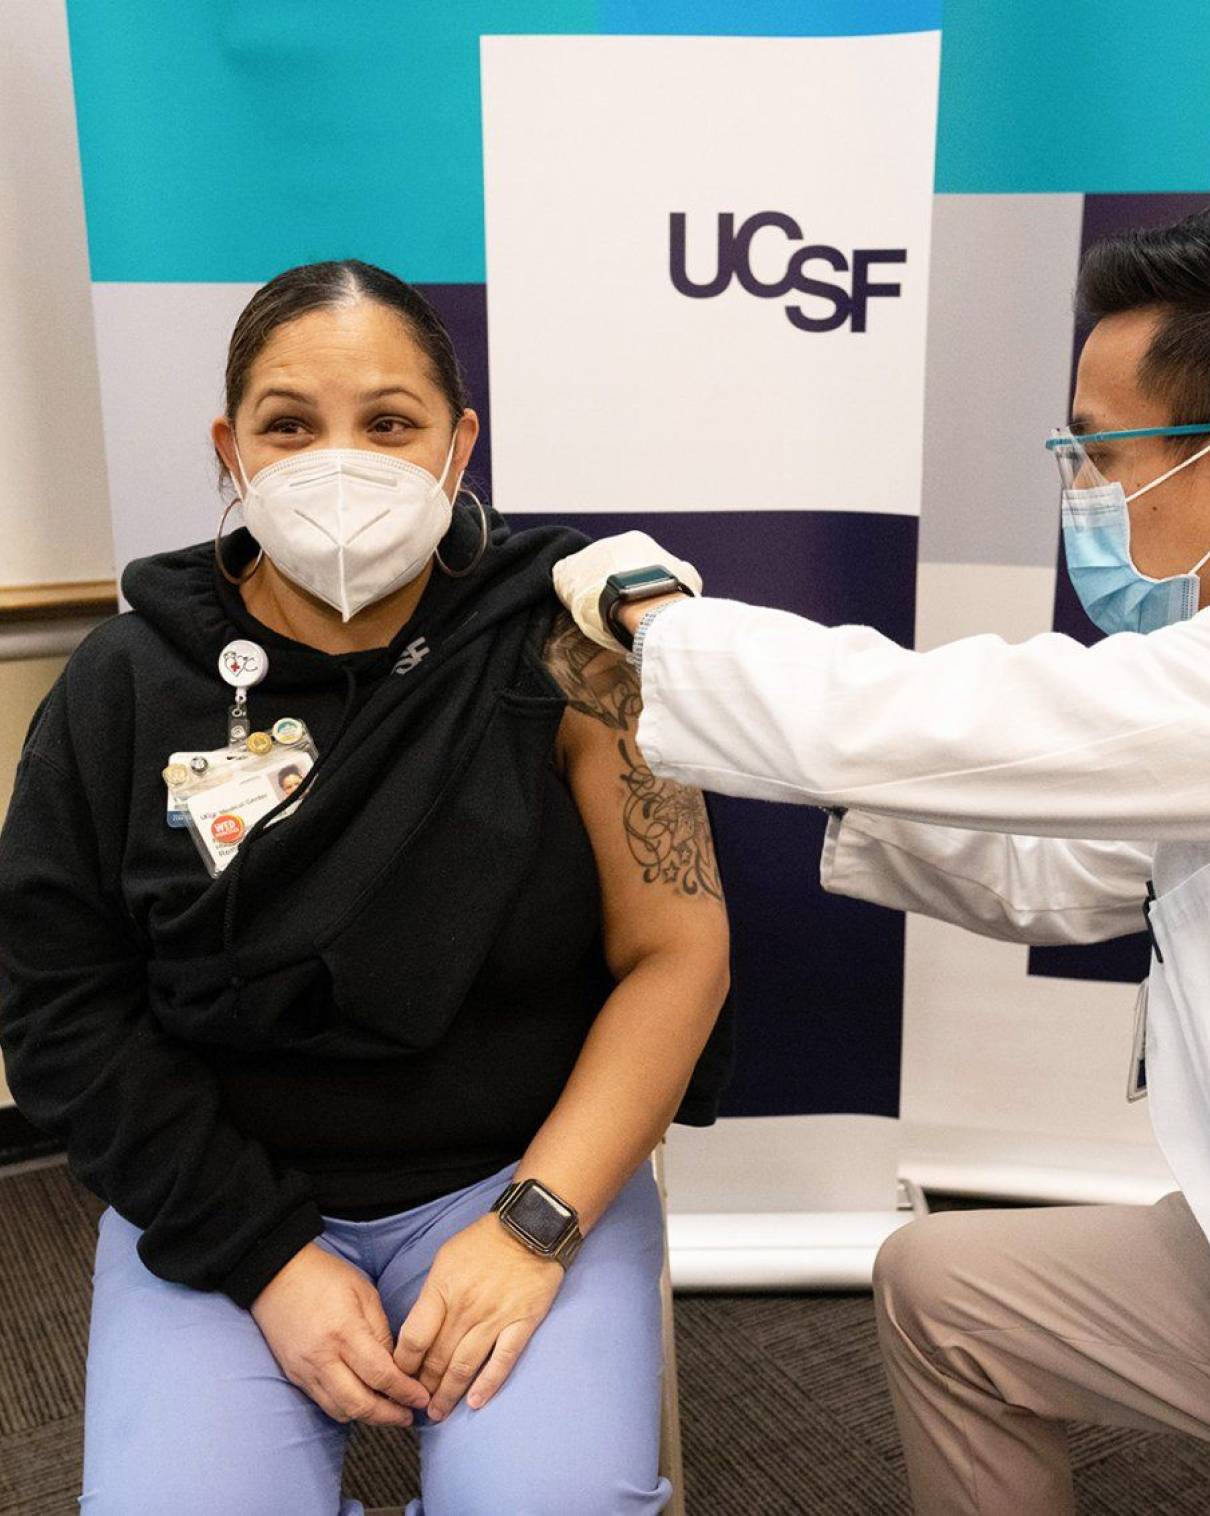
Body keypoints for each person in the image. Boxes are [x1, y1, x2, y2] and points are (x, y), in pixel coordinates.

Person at [550, 193, 1210, 1515]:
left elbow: (941, 719)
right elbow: (1063, 872)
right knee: (944, 1291)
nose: (1084, 493)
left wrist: (661, 622)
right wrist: (795, 776)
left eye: (1101, 453)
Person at [0, 260, 732, 1515]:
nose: (340, 459)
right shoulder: (123, 682)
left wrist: (532, 1228)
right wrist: (265, 1255)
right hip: (221, 1192)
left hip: (515, 1173)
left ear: (459, 445)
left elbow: (680, 951)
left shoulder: (566, 648)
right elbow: (61, 1008)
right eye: (290, 423)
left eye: (389, 422)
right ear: (232, 449)